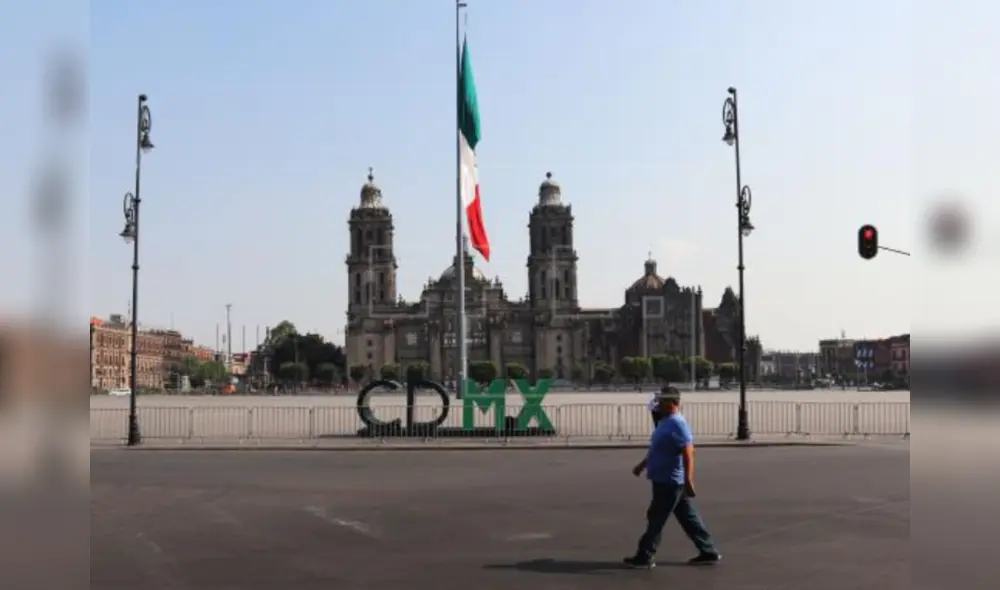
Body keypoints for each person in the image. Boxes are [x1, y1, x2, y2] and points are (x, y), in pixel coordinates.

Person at [624, 388, 722, 569]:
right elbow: (657, 449)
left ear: (671, 403)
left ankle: (644, 556)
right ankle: (708, 551)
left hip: (670, 481)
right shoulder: (664, 422)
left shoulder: (678, 424)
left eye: (661, 401)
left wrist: (689, 479)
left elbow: (688, 452)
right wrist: (642, 464)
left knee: (656, 518)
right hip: (664, 479)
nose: (657, 404)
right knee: (689, 518)